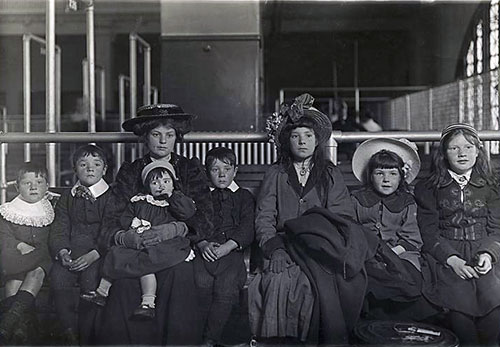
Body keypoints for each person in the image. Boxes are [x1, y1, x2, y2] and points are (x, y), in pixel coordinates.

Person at [250, 93, 371, 345]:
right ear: (287, 141)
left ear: (317, 141)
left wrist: (323, 243)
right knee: (276, 279)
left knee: (317, 285)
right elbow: (265, 216)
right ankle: (279, 340)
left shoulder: (329, 173)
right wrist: (274, 249)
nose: (302, 141)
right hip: (283, 244)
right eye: (295, 136)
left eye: (308, 136)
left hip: (320, 246)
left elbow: (342, 216)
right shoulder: (276, 173)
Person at [96, 103, 213, 345]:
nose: (163, 142)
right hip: (136, 249)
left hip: (176, 249)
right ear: (145, 137)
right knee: (125, 282)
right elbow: (110, 220)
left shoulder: (189, 169)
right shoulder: (131, 172)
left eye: (169, 135)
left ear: (176, 137)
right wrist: (124, 237)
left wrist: (179, 228)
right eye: (156, 135)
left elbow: (206, 219)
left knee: (179, 276)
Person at [414, 123, 500, 345]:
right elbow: (429, 232)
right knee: (462, 326)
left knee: (492, 321)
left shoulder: (492, 186)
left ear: (478, 151)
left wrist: (488, 255)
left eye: (469, 147)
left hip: (486, 254)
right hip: (446, 256)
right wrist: (452, 260)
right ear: (443, 153)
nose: (462, 153)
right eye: (454, 148)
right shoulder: (429, 188)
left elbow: (497, 227)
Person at [89, 161, 196, 322]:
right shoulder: (139, 201)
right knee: (116, 253)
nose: (161, 186)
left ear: (173, 183)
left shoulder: (174, 202)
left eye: (166, 181)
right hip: (140, 239)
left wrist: (172, 195)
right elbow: (125, 218)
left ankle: (148, 303)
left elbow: (188, 213)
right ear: (147, 186)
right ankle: (102, 292)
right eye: (155, 182)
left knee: (148, 261)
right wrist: (133, 225)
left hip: (163, 242)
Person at [351, 138, 435, 320]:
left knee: (405, 280)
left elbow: (412, 238)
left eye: (393, 174)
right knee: (364, 279)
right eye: (379, 173)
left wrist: (390, 253)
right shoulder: (356, 199)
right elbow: (350, 229)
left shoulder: (407, 202)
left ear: (401, 177)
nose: (386, 179)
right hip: (366, 253)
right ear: (370, 175)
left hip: (401, 253)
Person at [48, 144, 112, 344]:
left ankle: (87, 335)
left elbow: (110, 230)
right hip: (71, 253)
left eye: (96, 164)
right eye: (83, 164)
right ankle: (69, 332)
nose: (90, 169)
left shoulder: (111, 196)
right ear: (75, 169)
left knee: (91, 283)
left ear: (105, 169)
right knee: (58, 278)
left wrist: (94, 254)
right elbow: (60, 227)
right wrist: (62, 252)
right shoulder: (68, 196)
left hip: (97, 254)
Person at [194, 146, 254, 346]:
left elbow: (247, 226)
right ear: (206, 171)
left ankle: (210, 339)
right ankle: (199, 335)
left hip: (231, 252)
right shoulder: (201, 197)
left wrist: (229, 246)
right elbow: (193, 222)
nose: (221, 174)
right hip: (206, 251)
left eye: (227, 169)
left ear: (235, 171)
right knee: (200, 284)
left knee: (226, 288)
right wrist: (202, 244)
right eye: (215, 169)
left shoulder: (243, 196)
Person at [0, 163, 56, 344]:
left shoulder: (51, 209)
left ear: (47, 186)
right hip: (17, 258)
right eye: (27, 183)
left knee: (38, 270)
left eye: (39, 182)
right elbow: (4, 237)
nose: (33, 187)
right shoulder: (9, 211)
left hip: (41, 260)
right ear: (17, 187)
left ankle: (8, 322)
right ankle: (18, 328)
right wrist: (19, 245)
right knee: (14, 280)